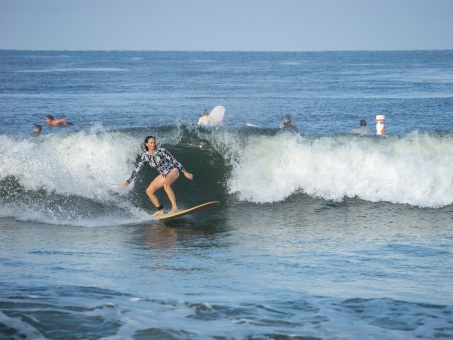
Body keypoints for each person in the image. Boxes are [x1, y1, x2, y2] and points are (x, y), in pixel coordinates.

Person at [119, 136, 193, 216]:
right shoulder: (145, 156)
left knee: (166, 185)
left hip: (172, 171)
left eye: (154, 142)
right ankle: (160, 210)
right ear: (146, 144)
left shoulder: (162, 151)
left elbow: (174, 161)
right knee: (149, 191)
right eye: (151, 143)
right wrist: (128, 182)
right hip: (163, 174)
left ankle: (175, 208)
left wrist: (185, 172)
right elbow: (137, 169)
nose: (153, 144)